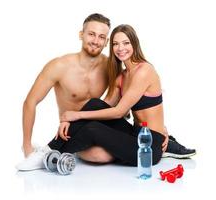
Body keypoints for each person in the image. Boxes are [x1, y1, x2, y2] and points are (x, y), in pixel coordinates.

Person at [55, 24, 196, 166]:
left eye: (126, 43)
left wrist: (76, 115)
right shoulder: (121, 77)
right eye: (116, 44)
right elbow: (101, 107)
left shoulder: (144, 71)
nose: (120, 48)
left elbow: (119, 112)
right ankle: (50, 149)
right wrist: (68, 120)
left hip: (150, 144)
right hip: (135, 133)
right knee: (94, 104)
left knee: (92, 130)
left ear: (134, 43)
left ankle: (53, 156)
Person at [16, 13, 115, 170]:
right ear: (81, 35)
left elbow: (129, 95)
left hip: (98, 125)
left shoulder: (110, 66)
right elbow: (30, 101)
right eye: (91, 34)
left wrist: (152, 127)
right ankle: (49, 152)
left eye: (102, 37)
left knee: (113, 152)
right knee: (99, 156)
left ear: (107, 42)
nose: (96, 41)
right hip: (70, 131)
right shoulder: (59, 66)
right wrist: (26, 145)